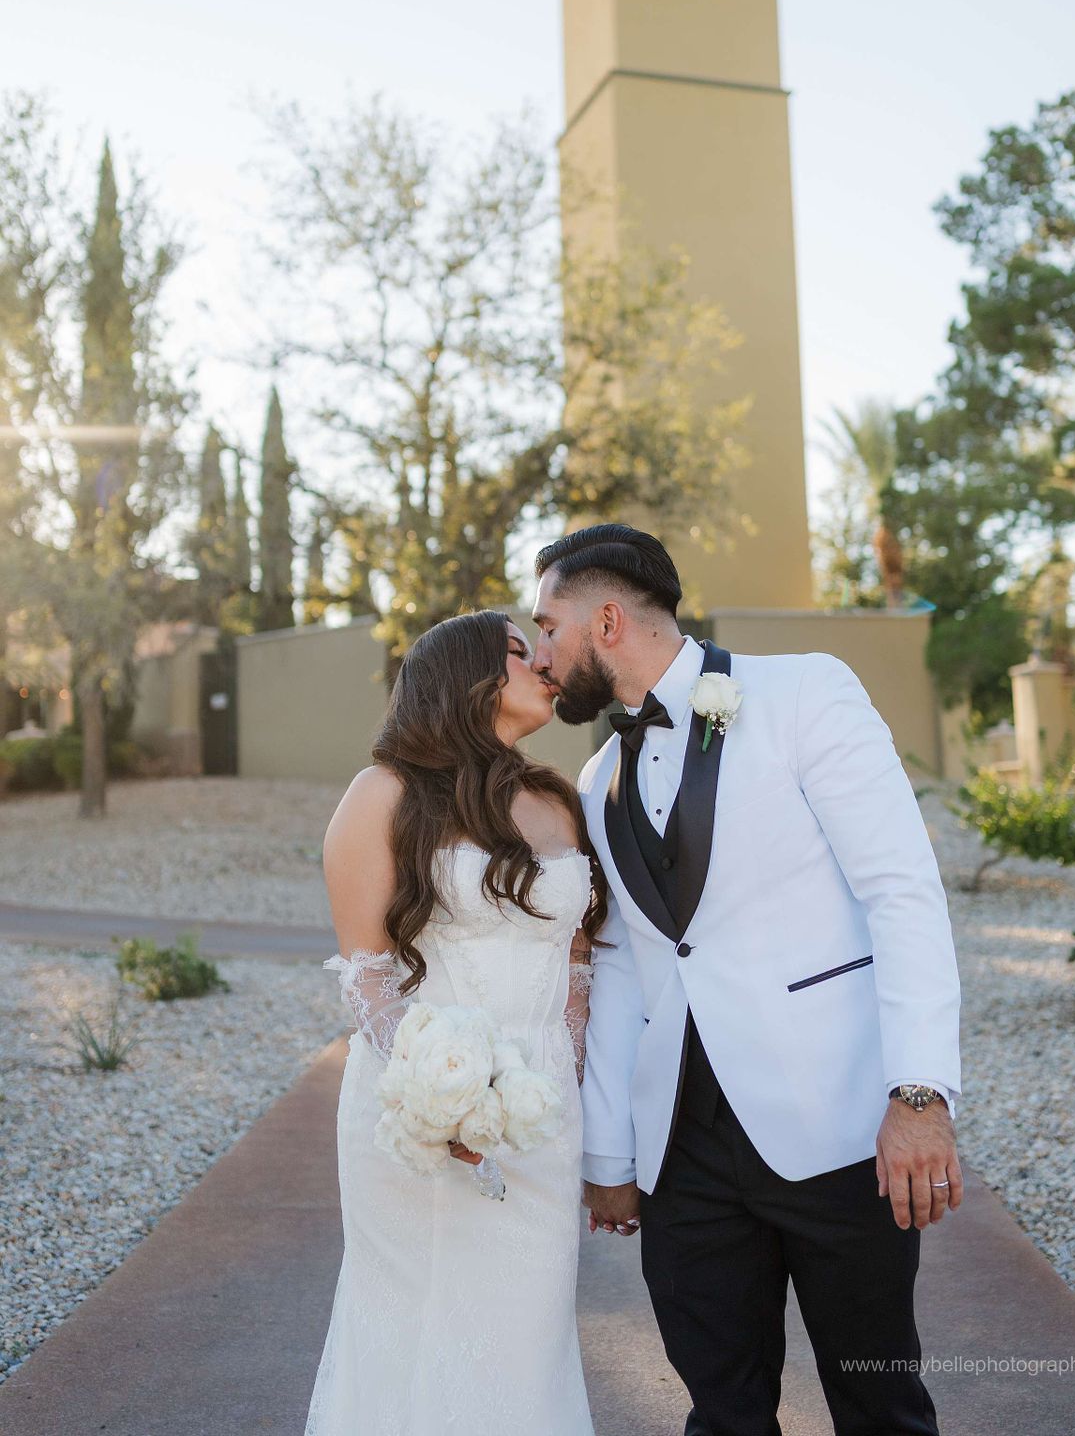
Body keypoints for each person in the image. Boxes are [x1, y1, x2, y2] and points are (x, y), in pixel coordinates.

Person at [531, 524, 963, 1436]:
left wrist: (919, 1094)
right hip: (685, 1152)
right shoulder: (600, 775)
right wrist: (611, 1155)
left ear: (607, 619)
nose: (540, 651)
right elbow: (622, 965)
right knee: (721, 1412)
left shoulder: (807, 691)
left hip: (841, 1127)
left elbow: (902, 893)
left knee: (880, 1402)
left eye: (549, 626)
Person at [305, 610, 604, 1436]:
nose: (545, 662)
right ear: (463, 675)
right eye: (520, 650)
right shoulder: (384, 794)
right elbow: (367, 976)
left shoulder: (555, 800)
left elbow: (578, 958)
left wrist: (561, 1076)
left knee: (528, 1332)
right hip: (417, 1107)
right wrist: (445, 1098)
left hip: (541, 1112)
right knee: (418, 1324)